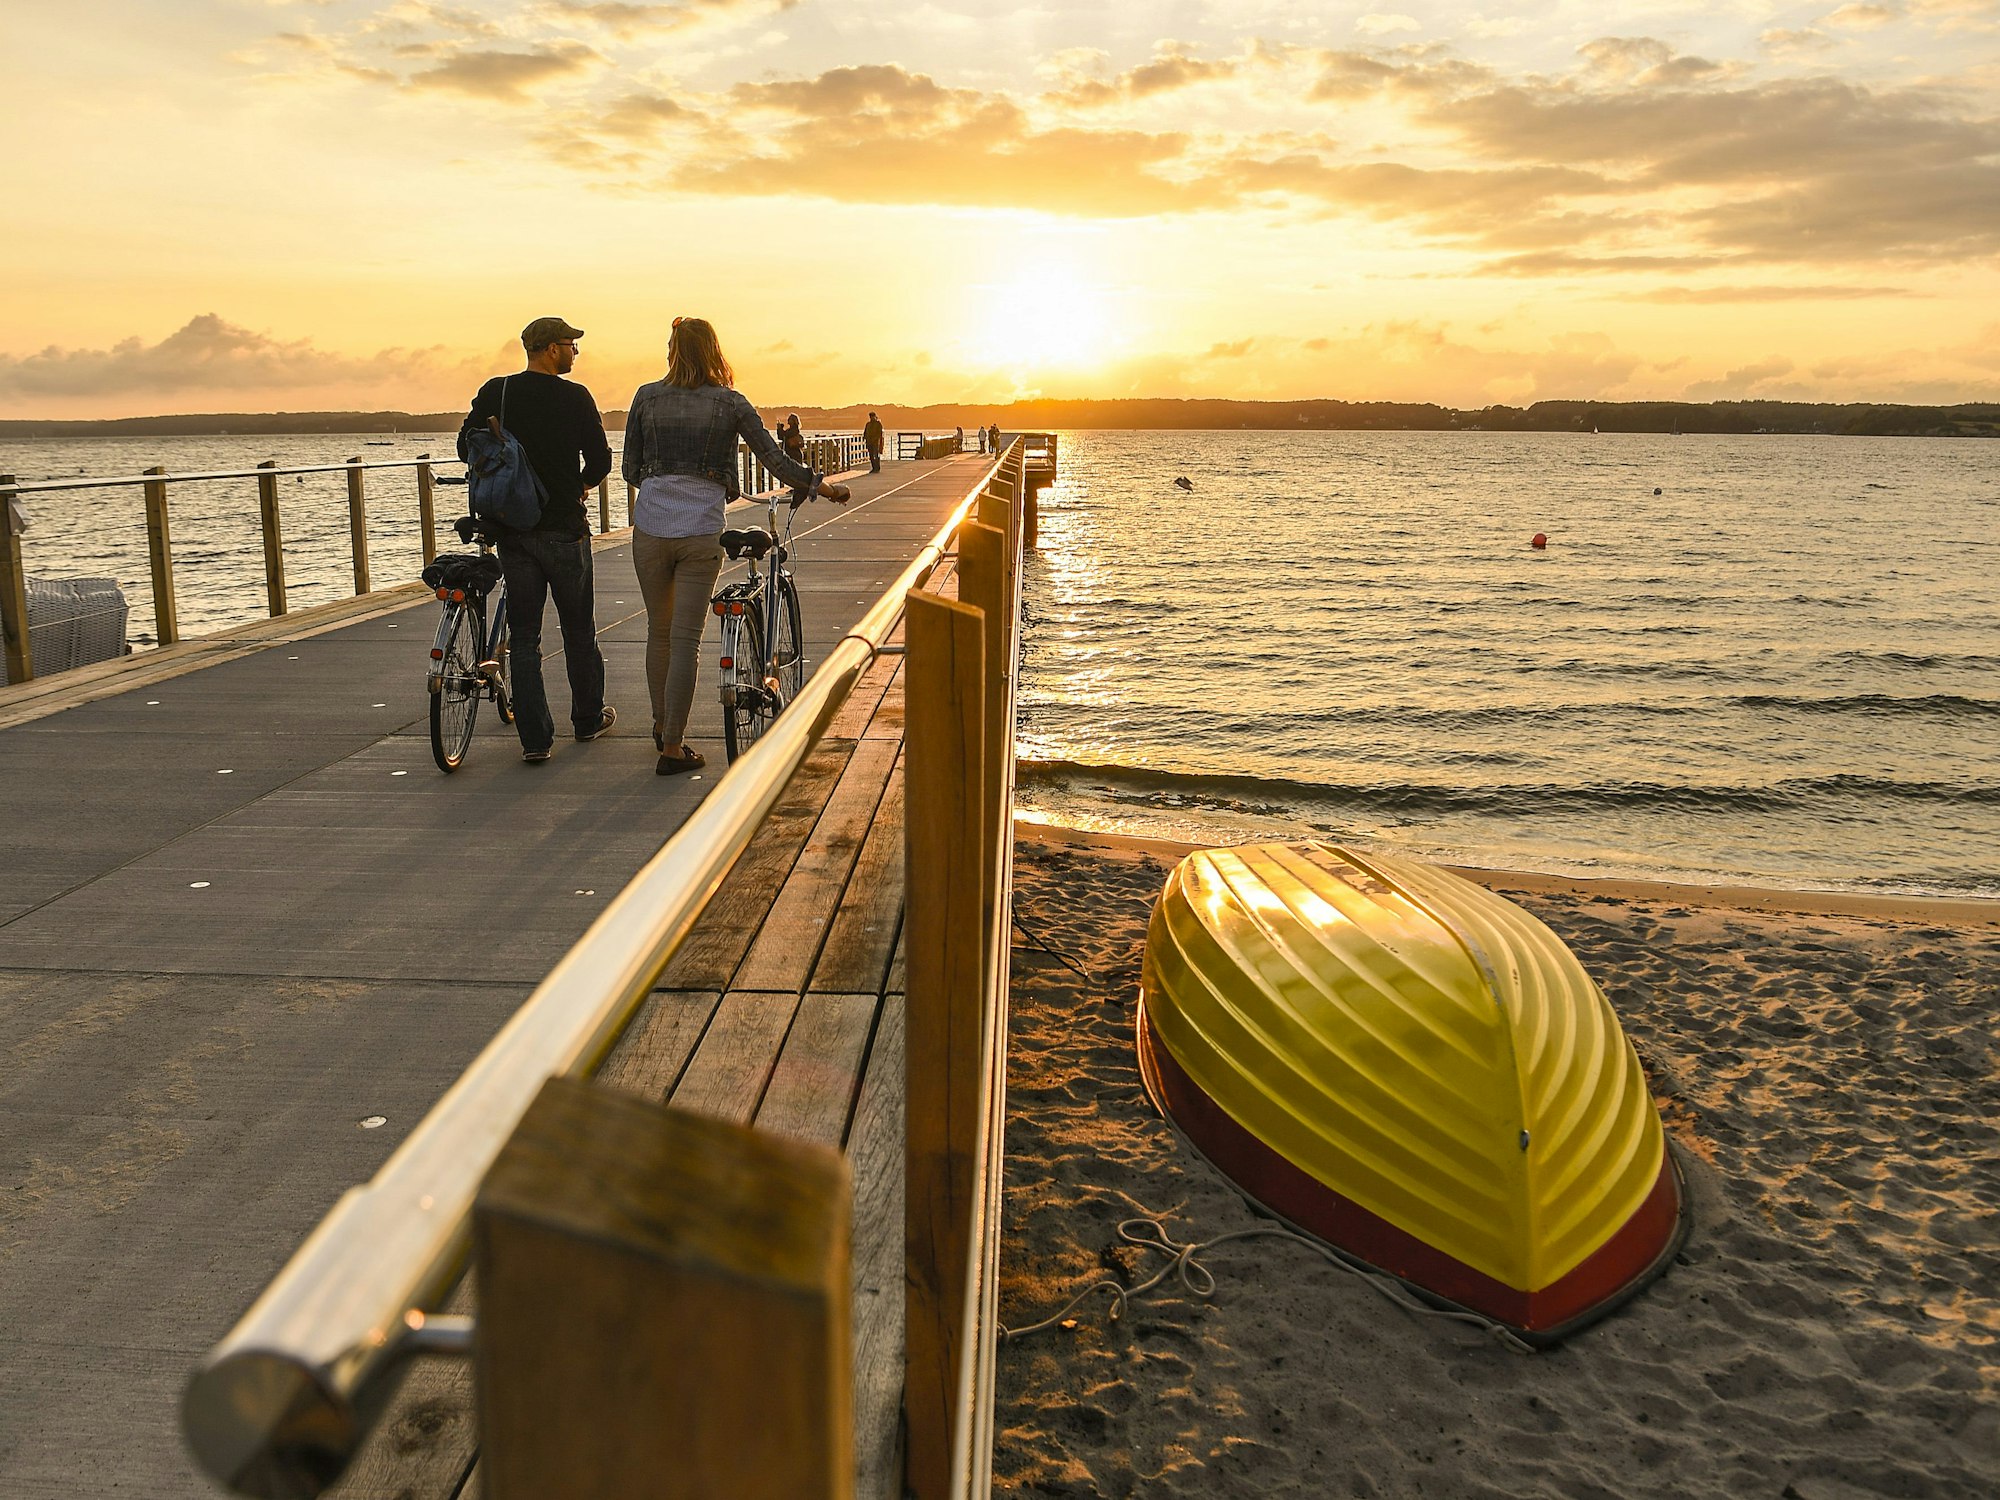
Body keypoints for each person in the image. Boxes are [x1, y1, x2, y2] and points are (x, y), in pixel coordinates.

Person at [622, 317, 851, 776]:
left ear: (672, 351)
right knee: (686, 638)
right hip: (700, 529)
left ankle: (661, 724)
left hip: (650, 529)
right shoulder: (729, 402)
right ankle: (672, 747)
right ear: (714, 352)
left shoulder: (646, 397)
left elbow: (630, 469)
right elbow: (775, 459)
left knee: (659, 632)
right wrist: (822, 488)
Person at [457, 316, 614, 764]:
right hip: (564, 527)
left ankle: (535, 740)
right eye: (571, 345)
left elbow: (464, 446)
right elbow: (601, 459)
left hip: (513, 529)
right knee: (578, 629)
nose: (574, 353)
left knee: (524, 635)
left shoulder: (497, 392)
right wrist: (580, 483)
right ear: (550, 349)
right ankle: (586, 720)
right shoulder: (575, 397)